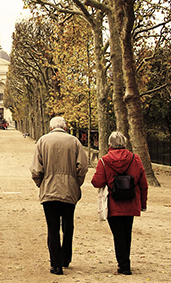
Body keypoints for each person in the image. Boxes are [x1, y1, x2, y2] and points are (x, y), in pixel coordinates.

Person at [30, 116, 88, 275]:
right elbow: (82, 166)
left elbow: (36, 169)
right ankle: (66, 258)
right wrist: (76, 183)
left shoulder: (42, 141)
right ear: (65, 127)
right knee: (68, 226)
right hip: (69, 190)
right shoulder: (74, 142)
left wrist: (41, 183)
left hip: (49, 191)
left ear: (50, 128)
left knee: (52, 228)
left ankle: (56, 265)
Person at [91, 131, 148, 275]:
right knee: (127, 232)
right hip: (131, 201)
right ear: (125, 143)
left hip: (113, 203)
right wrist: (143, 203)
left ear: (109, 144)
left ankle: (124, 265)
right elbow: (143, 184)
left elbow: (97, 182)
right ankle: (125, 262)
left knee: (118, 234)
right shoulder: (135, 159)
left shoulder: (104, 161)